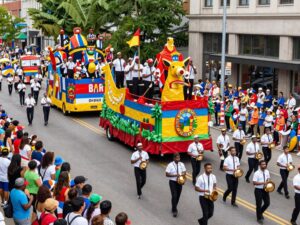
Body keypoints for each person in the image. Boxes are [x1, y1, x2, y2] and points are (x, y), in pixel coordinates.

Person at [165, 153, 186, 217]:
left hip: (180, 181)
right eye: (177, 158)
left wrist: (182, 174)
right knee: (174, 196)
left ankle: (174, 206)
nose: (178, 159)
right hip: (173, 182)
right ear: (174, 158)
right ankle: (174, 210)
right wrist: (175, 175)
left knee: (178, 196)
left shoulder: (181, 164)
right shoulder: (170, 165)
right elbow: (167, 174)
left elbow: (184, 172)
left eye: (179, 158)